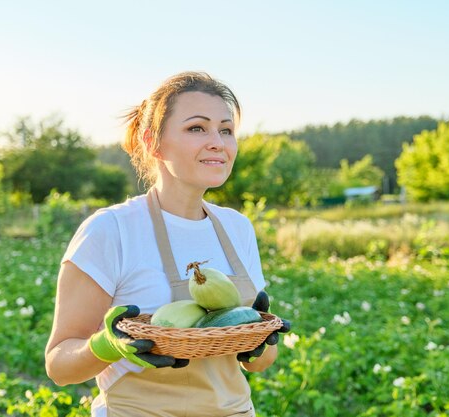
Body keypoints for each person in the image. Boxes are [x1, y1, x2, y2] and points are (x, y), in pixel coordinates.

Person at [44, 71, 290, 417]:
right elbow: (59, 365)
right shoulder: (111, 230)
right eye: (197, 128)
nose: (218, 142)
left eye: (226, 129)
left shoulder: (237, 228)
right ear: (153, 142)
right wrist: (107, 345)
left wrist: (259, 341)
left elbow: (260, 364)